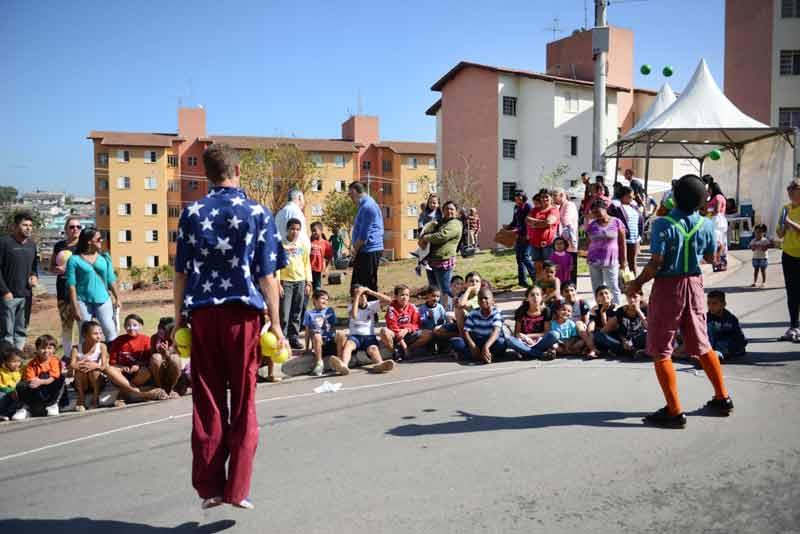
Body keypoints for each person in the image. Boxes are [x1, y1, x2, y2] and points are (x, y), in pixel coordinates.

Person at [174, 143, 287, 510]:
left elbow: (181, 274)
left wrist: (178, 317)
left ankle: (210, 488)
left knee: (206, 400)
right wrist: (277, 324)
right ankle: (237, 489)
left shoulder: (191, 213)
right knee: (243, 399)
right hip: (243, 316)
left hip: (203, 315)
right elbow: (268, 277)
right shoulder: (257, 212)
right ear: (237, 171)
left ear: (206, 173)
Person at [627, 174, 733, 428]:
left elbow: (656, 263)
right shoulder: (707, 225)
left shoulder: (663, 224)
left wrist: (636, 283)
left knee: (662, 349)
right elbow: (710, 258)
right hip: (694, 286)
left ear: (675, 197)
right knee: (702, 343)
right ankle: (722, 397)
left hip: (668, 288)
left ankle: (674, 411)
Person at [66, 227, 120, 343]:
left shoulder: (105, 258)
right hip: (82, 300)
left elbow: (111, 279)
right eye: (99, 239)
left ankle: (113, 357)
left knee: (110, 330)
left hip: (103, 299)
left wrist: (118, 298)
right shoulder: (74, 260)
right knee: (84, 333)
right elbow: (71, 285)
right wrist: (75, 306)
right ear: (89, 241)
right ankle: (84, 358)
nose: (102, 241)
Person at [328, 285, 394, 375]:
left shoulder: (372, 305)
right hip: (355, 337)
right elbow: (354, 316)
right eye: (358, 295)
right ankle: (344, 365)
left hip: (369, 337)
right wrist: (357, 295)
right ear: (353, 298)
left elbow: (389, 300)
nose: (362, 297)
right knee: (348, 346)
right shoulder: (351, 307)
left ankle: (379, 364)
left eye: (363, 294)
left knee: (373, 349)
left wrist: (370, 291)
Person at [107, 314, 171, 404]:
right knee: (109, 370)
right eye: (128, 325)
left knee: (146, 371)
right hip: (122, 374)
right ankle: (141, 393)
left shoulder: (146, 339)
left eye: (135, 325)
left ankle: (123, 392)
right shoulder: (118, 340)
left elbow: (149, 361)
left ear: (141, 326)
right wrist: (121, 367)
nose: (131, 328)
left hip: (138, 374)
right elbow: (112, 363)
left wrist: (138, 365)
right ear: (124, 327)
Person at [0, 211, 39, 350]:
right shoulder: (4, 242)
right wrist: (4, 291)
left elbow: (34, 266)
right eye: (24, 225)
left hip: (26, 295)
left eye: (30, 225)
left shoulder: (32, 245)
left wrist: (34, 276)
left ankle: (17, 358)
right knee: (6, 332)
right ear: (15, 226)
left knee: (21, 330)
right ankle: (5, 361)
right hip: (8, 295)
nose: (28, 228)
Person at [417, 200, 463, 310]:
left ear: (456, 212)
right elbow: (427, 229)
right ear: (442, 211)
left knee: (445, 289)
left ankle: (452, 311)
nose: (449, 211)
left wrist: (427, 238)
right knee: (434, 290)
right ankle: (437, 312)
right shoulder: (441, 222)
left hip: (443, 262)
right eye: (446, 209)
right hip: (431, 261)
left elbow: (442, 236)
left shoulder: (455, 223)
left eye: (452, 209)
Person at [277, 218, 312, 350]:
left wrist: (308, 282)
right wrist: (278, 284)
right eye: (292, 229)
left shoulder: (302, 244)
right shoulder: (281, 244)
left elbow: (306, 263)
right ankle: (282, 338)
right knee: (284, 314)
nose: (295, 232)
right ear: (287, 229)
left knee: (297, 312)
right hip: (286, 282)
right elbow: (277, 265)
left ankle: (293, 338)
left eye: (297, 229)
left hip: (300, 281)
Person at [12, 335, 65, 420]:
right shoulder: (31, 364)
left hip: (50, 390)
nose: (46, 351)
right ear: (37, 349)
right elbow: (31, 380)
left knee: (59, 378)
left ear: (54, 350)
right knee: (21, 385)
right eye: (43, 348)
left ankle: (52, 404)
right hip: (37, 391)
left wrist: (41, 381)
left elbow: (53, 378)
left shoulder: (55, 361)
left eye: (49, 348)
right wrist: (36, 382)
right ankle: (24, 408)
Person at [585, 199, 627, 305]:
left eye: (598, 212)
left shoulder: (617, 222)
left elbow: (622, 243)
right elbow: (588, 242)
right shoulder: (592, 225)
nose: (596, 215)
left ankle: (617, 309)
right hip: (594, 260)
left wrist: (624, 260)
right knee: (597, 287)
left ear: (605, 209)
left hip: (611, 260)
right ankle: (600, 310)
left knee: (613, 286)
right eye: (594, 213)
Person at [451, 288, 508, 364]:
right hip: (478, 341)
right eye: (480, 299)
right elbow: (466, 331)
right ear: (478, 302)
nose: (483, 300)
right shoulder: (474, 313)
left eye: (486, 298)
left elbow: (496, 332)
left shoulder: (497, 313)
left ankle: (479, 355)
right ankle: (485, 356)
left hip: (491, 342)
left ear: (492, 300)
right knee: (457, 342)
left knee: (501, 343)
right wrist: (473, 346)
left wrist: (486, 346)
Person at [51, 216, 82, 355]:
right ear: (66, 230)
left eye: (78, 227)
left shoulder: (85, 245)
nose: (75, 229)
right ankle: (68, 356)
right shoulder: (59, 246)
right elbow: (51, 267)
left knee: (83, 326)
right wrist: (56, 269)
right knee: (66, 326)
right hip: (63, 292)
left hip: (81, 293)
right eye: (72, 227)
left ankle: (82, 355)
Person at [505, 286, 559, 360]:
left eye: (537, 294)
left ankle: (527, 353)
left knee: (554, 334)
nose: (535, 297)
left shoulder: (546, 311)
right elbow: (517, 333)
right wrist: (522, 337)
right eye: (532, 295)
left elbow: (546, 332)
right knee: (509, 340)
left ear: (541, 297)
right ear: (527, 298)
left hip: (540, 341)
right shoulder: (520, 311)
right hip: (524, 343)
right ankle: (539, 354)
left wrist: (528, 336)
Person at [381, 284, 434, 361]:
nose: (405, 297)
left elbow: (416, 324)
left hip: (408, 333)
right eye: (402, 295)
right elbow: (392, 326)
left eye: (407, 295)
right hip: (396, 335)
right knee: (384, 331)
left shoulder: (412, 307)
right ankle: (395, 352)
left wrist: (407, 330)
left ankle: (409, 349)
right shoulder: (391, 308)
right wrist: (403, 343)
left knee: (429, 333)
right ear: (396, 296)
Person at [348, 181, 384, 293]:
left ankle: (371, 309)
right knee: (358, 285)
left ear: (355, 192)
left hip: (369, 251)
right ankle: (361, 308)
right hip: (365, 251)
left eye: (350, 194)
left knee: (368, 285)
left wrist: (354, 250)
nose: (350, 198)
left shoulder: (368, 206)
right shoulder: (364, 205)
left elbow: (364, 236)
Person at [777, 179, 800, 342]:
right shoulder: (785, 209)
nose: (790, 192)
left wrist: (790, 223)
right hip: (789, 256)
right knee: (792, 293)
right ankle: (793, 327)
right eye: (789, 189)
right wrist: (784, 226)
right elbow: (779, 234)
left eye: (794, 188)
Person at [69, 320, 109, 411]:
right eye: (95, 333)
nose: (99, 336)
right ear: (85, 335)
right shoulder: (76, 348)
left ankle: (95, 397)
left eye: (100, 333)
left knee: (94, 370)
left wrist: (94, 365)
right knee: (81, 370)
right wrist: (79, 364)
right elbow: (72, 365)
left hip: (97, 381)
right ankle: (81, 397)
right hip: (82, 382)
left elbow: (104, 366)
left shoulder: (102, 346)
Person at [594, 291, 648, 358]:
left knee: (650, 334)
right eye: (629, 297)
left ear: (640, 297)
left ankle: (631, 350)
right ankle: (634, 350)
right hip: (624, 341)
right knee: (598, 336)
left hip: (639, 339)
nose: (632, 300)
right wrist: (623, 340)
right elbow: (606, 329)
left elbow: (650, 327)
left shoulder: (646, 308)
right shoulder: (621, 311)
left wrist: (638, 311)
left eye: (635, 297)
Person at [504, 191, 536, 287]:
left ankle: (535, 278)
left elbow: (527, 224)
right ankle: (522, 281)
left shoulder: (528, 207)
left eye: (520, 199)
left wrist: (516, 230)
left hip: (527, 236)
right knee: (519, 258)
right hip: (518, 235)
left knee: (525, 257)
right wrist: (508, 226)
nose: (517, 201)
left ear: (524, 198)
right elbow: (515, 221)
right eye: (516, 199)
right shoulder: (516, 207)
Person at [303, 289, 337, 377]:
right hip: (319, 344)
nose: (325, 301)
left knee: (341, 335)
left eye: (327, 299)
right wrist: (307, 348)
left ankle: (340, 361)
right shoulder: (309, 313)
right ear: (314, 300)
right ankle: (319, 363)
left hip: (331, 342)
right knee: (317, 335)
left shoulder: (330, 310)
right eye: (323, 298)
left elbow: (334, 327)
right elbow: (307, 332)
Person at [526, 189, 560, 277]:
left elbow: (549, 222)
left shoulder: (554, 210)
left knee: (549, 268)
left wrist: (535, 224)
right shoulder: (535, 210)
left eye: (546, 197)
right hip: (535, 243)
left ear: (551, 198)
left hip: (548, 244)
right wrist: (542, 222)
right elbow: (527, 220)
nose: (544, 199)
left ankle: (549, 287)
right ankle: (539, 287)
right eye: (542, 197)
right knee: (537, 267)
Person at [706, 290, 747, 361]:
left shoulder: (730, 319)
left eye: (714, 303)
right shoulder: (706, 318)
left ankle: (715, 355)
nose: (710, 306)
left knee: (722, 343)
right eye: (708, 303)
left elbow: (741, 338)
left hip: (726, 345)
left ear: (723, 304)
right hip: (711, 344)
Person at [553, 188, 579, 284]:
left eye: (555, 196)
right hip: (564, 241)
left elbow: (565, 220)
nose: (553, 198)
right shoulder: (561, 206)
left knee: (571, 266)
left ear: (562, 195)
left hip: (570, 241)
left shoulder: (569, 205)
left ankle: (572, 286)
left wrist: (555, 214)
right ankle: (565, 286)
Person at [618, 186, 643, 275]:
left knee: (632, 263)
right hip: (623, 240)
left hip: (634, 239)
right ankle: (625, 285)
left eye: (632, 196)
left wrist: (639, 236)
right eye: (630, 196)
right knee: (623, 264)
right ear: (623, 196)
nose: (632, 197)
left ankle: (634, 286)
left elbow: (640, 221)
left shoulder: (634, 207)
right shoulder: (617, 207)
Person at [706, 181, 728, 272]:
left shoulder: (718, 197)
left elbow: (717, 210)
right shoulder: (715, 197)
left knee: (718, 242)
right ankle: (718, 263)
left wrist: (707, 214)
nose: (708, 191)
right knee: (718, 242)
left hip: (717, 221)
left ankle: (719, 262)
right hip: (715, 220)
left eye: (709, 189)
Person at [0, 346, 23, 420]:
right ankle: (2, 413)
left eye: (18, 361)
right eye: (13, 362)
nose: (17, 364)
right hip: (5, 392)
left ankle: (9, 413)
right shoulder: (1, 371)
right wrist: (9, 391)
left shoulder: (21, 371)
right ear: (5, 361)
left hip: (15, 394)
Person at [309, 222, 333, 291]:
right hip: (308, 270)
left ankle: (316, 300)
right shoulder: (309, 242)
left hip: (318, 270)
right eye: (312, 231)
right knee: (307, 289)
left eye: (314, 230)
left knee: (317, 290)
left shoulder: (326, 243)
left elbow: (329, 257)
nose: (313, 233)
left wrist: (326, 269)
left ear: (321, 230)